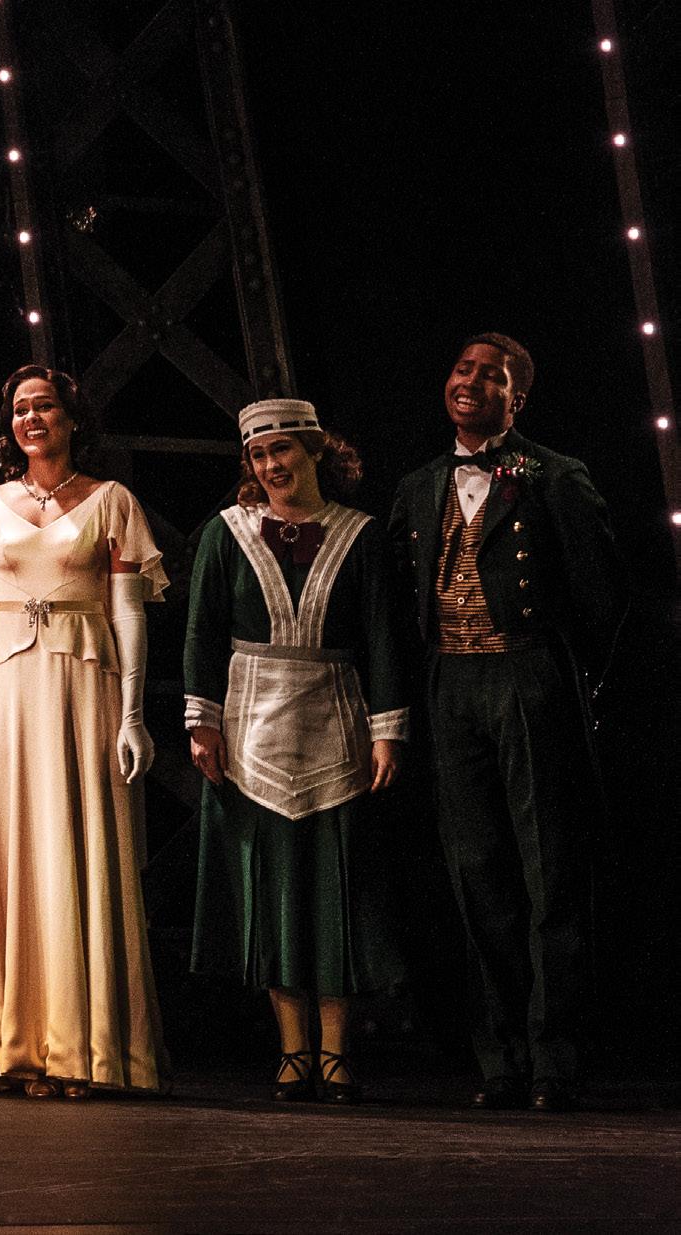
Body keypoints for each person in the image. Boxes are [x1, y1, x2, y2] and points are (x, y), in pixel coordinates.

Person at [389, 334, 628, 1112]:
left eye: (489, 375)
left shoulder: (552, 474)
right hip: (450, 681)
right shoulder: (418, 485)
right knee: (476, 871)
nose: (469, 381)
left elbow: (602, 593)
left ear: (514, 398)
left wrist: (564, 677)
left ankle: (554, 1057)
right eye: (462, 368)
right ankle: (500, 1055)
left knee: (547, 869)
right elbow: (401, 597)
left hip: (527, 673)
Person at [184, 397, 408, 1103]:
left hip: (334, 726)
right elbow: (201, 632)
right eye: (258, 454)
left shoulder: (359, 535)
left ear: (315, 451)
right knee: (274, 892)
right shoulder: (226, 533)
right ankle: (292, 1050)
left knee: (336, 892)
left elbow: (382, 635)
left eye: (282, 449)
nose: (270, 465)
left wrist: (386, 730)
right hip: (251, 731)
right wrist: (202, 722)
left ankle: (335, 1053)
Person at [0, 364, 169, 1098]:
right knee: (9, 852)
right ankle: (14, 1046)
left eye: (45, 405)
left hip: (85, 683)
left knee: (79, 846)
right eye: (20, 407)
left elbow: (128, 611)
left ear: (72, 418)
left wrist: (134, 714)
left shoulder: (112, 500)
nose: (31, 417)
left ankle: (82, 1048)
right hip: (5, 686)